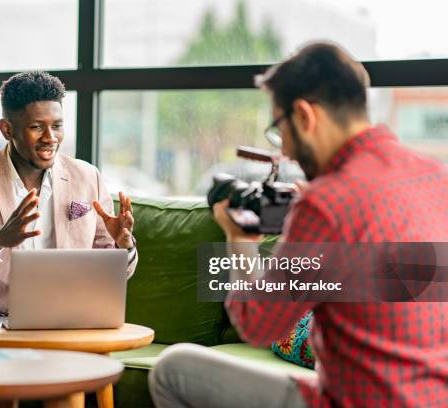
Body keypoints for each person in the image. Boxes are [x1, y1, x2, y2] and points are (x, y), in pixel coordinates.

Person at [149, 42, 448, 407]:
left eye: (279, 128)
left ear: (305, 116)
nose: (285, 150)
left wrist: (239, 239)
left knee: (172, 369)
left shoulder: (327, 201)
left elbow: (260, 327)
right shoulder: (437, 178)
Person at [0, 71, 138, 349]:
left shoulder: (87, 177)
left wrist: (123, 246)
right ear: (7, 129)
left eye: (57, 126)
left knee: (81, 369)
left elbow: (113, 271)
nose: (50, 138)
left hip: (68, 319)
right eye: (36, 127)